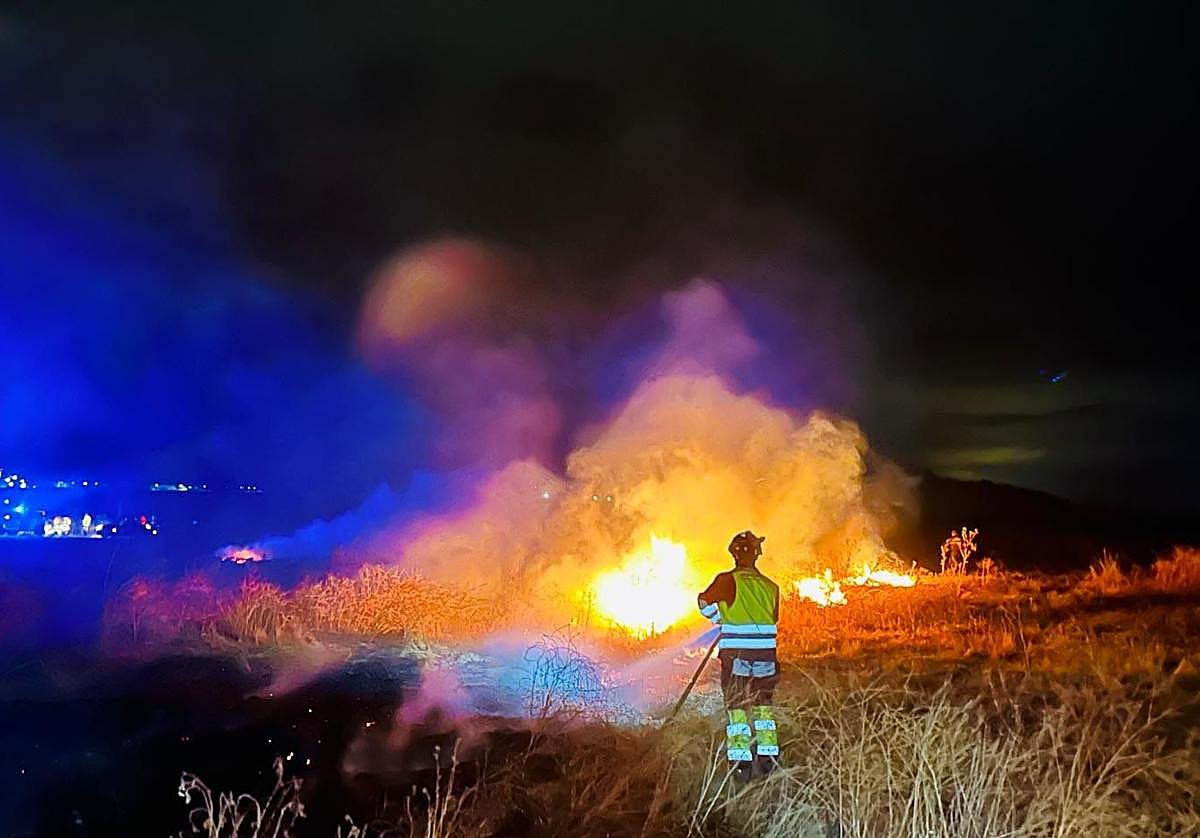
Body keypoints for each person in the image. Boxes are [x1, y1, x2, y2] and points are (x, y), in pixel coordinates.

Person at [697, 530, 781, 780]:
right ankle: (768, 760)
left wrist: (719, 619)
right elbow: (773, 618)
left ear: (734, 554)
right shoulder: (771, 586)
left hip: (737, 659)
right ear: (757, 555)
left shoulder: (726, 581)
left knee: (737, 708)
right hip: (767, 658)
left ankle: (741, 764)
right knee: (764, 707)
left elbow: (703, 602)